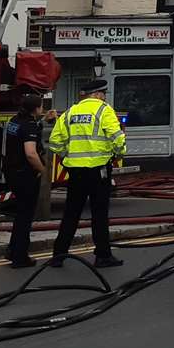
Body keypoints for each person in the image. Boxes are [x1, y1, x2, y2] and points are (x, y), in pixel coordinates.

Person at [46, 78, 126, 268]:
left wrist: (68, 157)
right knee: (99, 214)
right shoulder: (104, 110)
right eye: (103, 94)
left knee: (71, 213)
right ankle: (103, 255)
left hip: (75, 171)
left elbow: (55, 141)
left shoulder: (70, 111)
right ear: (98, 94)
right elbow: (117, 137)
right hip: (99, 170)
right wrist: (118, 152)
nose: (104, 97)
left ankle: (59, 255)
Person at [3, 92, 47, 268]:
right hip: (25, 174)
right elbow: (30, 153)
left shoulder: (14, 120)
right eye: (42, 106)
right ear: (36, 108)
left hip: (12, 171)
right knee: (25, 216)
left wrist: (44, 121)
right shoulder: (29, 125)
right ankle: (20, 256)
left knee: (20, 214)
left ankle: (13, 250)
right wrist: (42, 170)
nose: (43, 108)